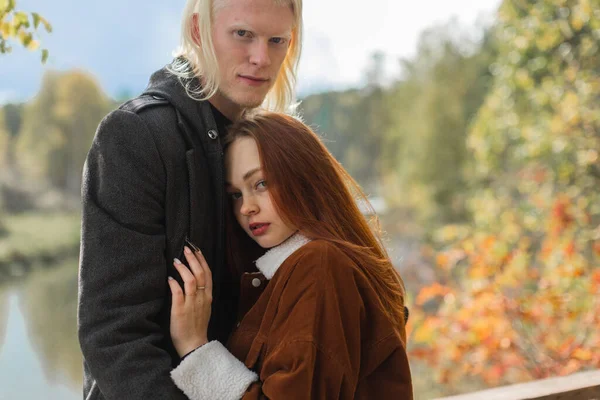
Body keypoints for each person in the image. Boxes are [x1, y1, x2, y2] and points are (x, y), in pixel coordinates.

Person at [77, 0, 303, 398]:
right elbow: (115, 338)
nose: (260, 58)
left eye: (277, 40)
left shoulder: (275, 143)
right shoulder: (136, 137)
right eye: (242, 34)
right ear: (198, 31)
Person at [166, 112, 414, 399]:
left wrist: (196, 348)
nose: (246, 207)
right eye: (235, 195)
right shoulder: (295, 270)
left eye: (260, 184)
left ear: (304, 176)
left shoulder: (320, 265)